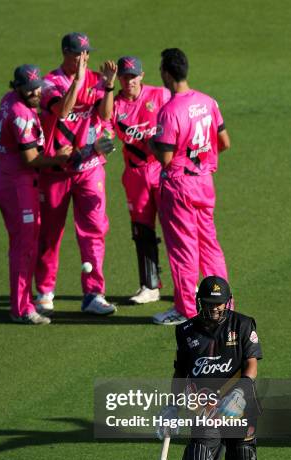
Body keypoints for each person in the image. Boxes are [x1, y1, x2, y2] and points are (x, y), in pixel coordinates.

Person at [158, 276, 262, 460]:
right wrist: (171, 407)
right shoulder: (186, 331)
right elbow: (181, 373)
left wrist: (240, 392)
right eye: (209, 304)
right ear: (199, 303)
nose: (214, 309)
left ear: (227, 303)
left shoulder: (242, 324)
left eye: (219, 304)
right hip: (205, 408)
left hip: (239, 407)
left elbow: (251, 364)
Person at [34, 32, 117, 316]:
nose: (85, 58)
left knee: (94, 230)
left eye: (86, 54)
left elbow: (105, 117)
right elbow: (62, 110)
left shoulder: (95, 79)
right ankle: (45, 292)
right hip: (56, 170)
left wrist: (107, 88)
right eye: (79, 54)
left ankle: (94, 294)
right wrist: (79, 80)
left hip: (89, 167)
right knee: (50, 233)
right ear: (66, 54)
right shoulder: (49, 83)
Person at [150, 48, 231, 325]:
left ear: (167, 74)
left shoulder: (170, 110)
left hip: (179, 185)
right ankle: (223, 304)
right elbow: (225, 142)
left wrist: (151, 141)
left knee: (183, 249)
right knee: (209, 246)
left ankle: (187, 310)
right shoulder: (208, 102)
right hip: (204, 182)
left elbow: (165, 157)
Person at [0, 64, 72, 325]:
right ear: (17, 88)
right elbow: (31, 159)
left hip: (12, 180)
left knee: (25, 244)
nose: (36, 93)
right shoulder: (20, 114)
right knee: (24, 247)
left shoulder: (9, 101)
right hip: (19, 185)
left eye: (37, 87)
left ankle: (25, 302)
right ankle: (21, 309)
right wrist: (59, 158)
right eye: (29, 90)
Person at [111, 56, 170, 304]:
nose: (129, 81)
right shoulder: (114, 106)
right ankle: (150, 286)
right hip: (135, 175)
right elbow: (105, 128)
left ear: (142, 75)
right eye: (125, 77)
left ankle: (192, 284)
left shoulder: (161, 95)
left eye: (133, 76)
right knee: (142, 230)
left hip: (162, 169)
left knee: (178, 227)